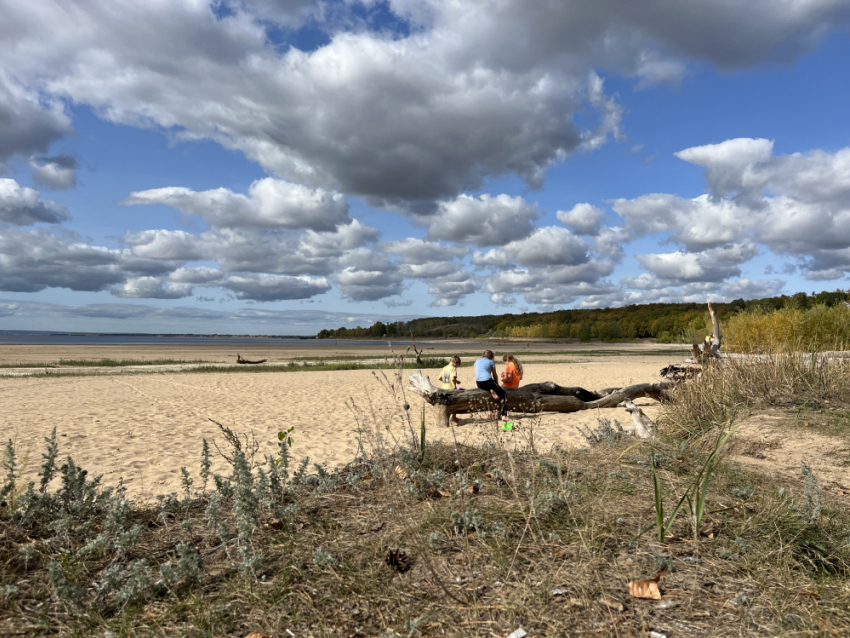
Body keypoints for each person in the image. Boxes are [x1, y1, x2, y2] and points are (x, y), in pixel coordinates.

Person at [474, 350, 509, 422]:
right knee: (503, 394)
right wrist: (497, 385)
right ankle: (504, 415)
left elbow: (475, 375)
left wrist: (478, 386)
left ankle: (491, 391)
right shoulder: (491, 362)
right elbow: (494, 375)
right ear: (491, 356)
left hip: (479, 382)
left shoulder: (477, 361)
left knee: (491, 390)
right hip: (487, 381)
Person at [439, 356, 463, 425]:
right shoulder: (453, 369)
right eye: (457, 365)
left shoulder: (444, 368)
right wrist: (457, 381)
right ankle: (454, 418)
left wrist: (446, 381)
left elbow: (439, 378)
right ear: (455, 362)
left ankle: (446, 417)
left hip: (444, 388)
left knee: (446, 404)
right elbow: (453, 378)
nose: (456, 367)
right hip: (451, 389)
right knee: (455, 404)